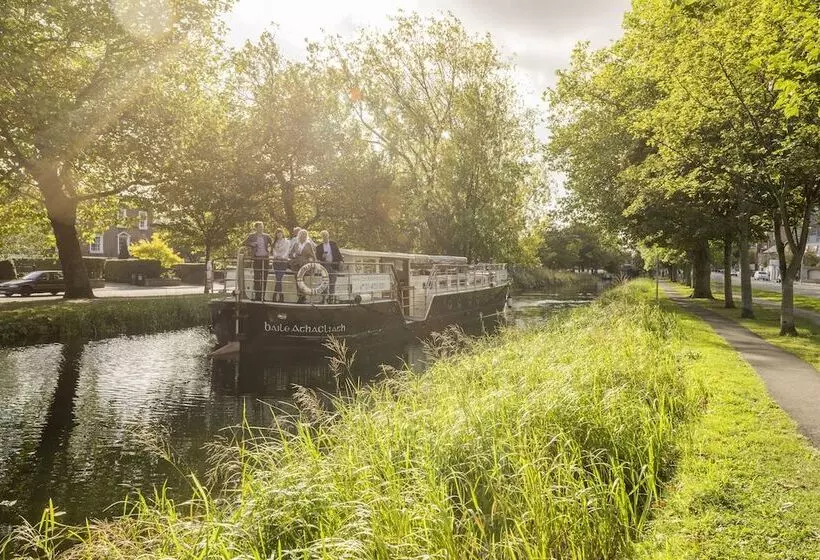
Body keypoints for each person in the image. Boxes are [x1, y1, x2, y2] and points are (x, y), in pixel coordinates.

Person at [244, 222, 273, 301]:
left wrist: (270, 251)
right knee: (257, 277)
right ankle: (258, 295)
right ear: (256, 228)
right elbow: (244, 243)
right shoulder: (252, 236)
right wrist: (251, 243)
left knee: (264, 278)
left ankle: (263, 296)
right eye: (260, 227)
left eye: (262, 227)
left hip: (265, 259)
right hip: (256, 259)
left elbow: (273, 244)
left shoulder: (267, 236)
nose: (261, 228)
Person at [316, 230, 343, 303]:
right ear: (322, 237)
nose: (325, 237)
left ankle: (331, 298)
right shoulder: (319, 247)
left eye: (326, 236)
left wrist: (341, 261)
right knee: (324, 282)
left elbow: (338, 253)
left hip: (333, 265)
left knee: (332, 282)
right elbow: (318, 258)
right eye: (323, 236)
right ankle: (323, 298)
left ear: (328, 236)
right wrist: (322, 256)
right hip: (324, 266)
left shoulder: (333, 244)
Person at [289, 229, 315, 303]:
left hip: (304, 265)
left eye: (304, 235)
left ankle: (302, 296)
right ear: (299, 236)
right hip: (296, 264)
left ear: (306, 236)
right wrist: (294, 254)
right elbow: (291, 254)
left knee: (301, 280)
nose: (303, 237)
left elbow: (312, 255)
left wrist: (310, 260)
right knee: (298, 280)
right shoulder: (296, 244)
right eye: (301, 235)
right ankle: (300, 296)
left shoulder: (308, 244)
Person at [271, 228, 290, 302]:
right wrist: (276, 256)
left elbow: (287, 251)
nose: (279, 235)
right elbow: (274, 251)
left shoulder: (287, 242)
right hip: (276, 262)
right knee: (278, 278)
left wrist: (282, 257)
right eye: (277, 233)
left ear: (283, 234)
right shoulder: (275, 242)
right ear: (276, 235)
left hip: (283, 262)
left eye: (280, 233)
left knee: (279, 278)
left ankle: (276, 294)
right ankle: (280, 295)